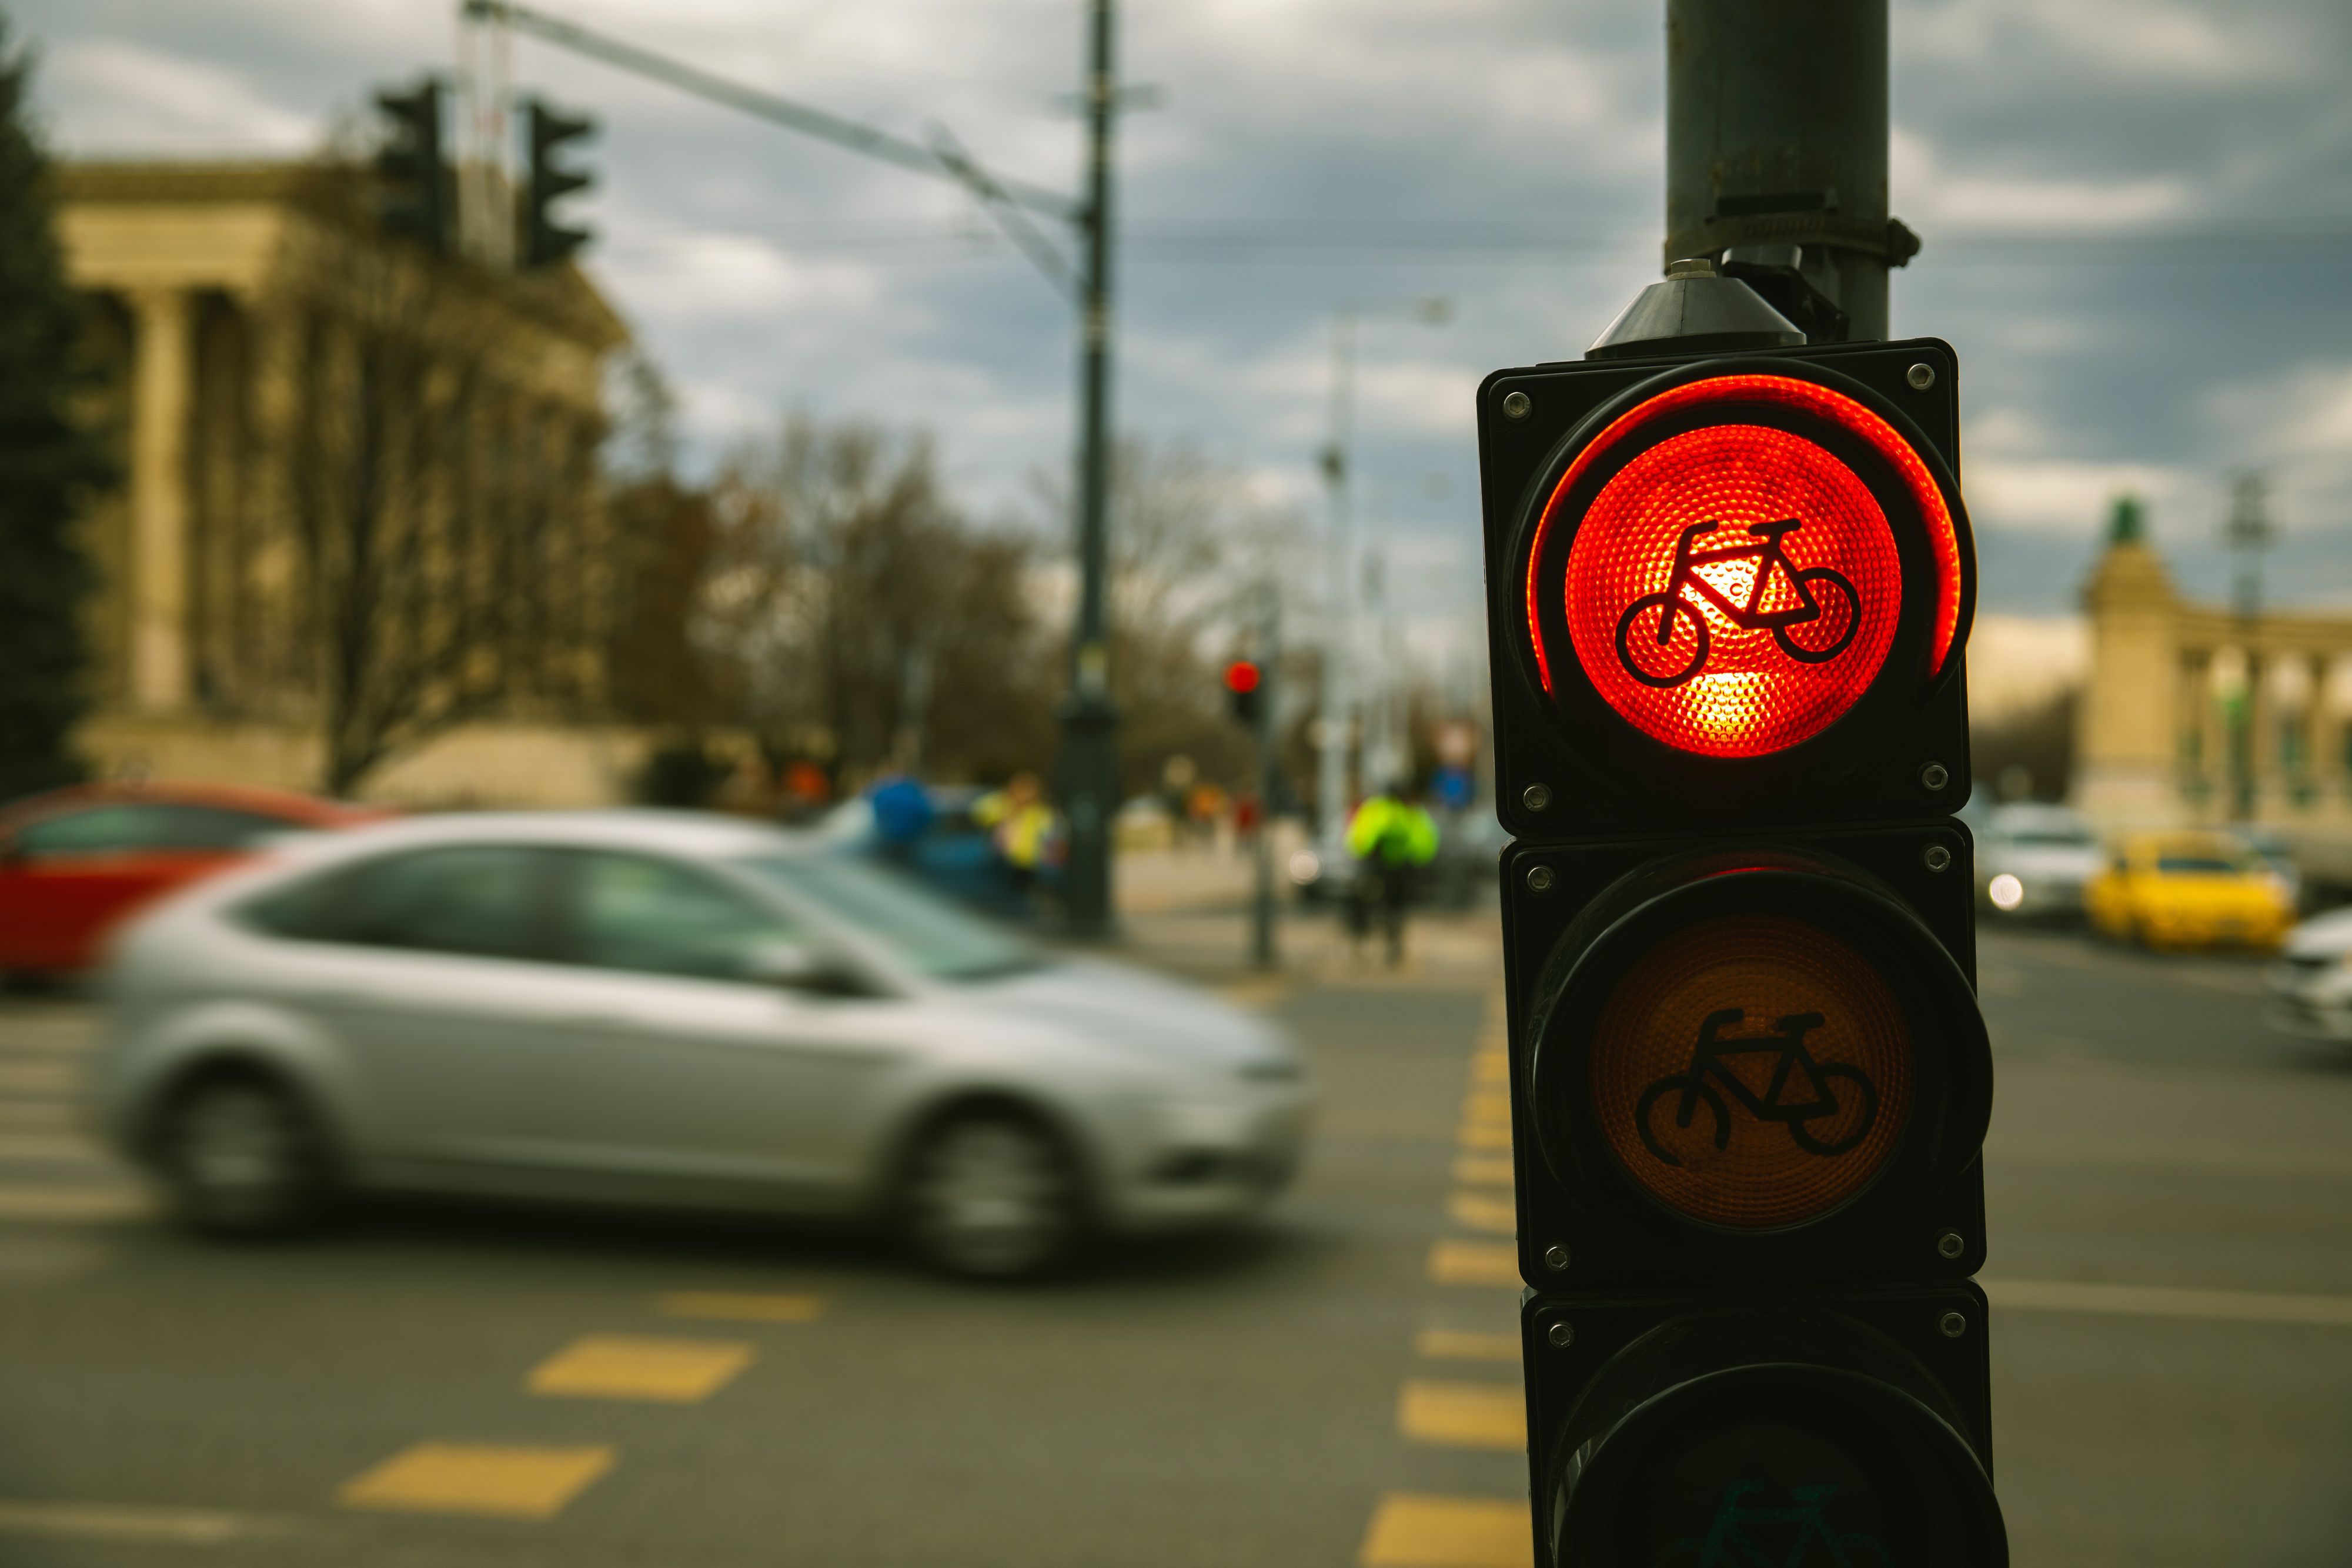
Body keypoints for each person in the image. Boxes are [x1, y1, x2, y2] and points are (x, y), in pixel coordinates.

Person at [1346, 782, 1440, 969]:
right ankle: (1387, 945)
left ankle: (1368, 942)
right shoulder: (1408, 811)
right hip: (1391, 868)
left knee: (1373, 907)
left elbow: (1357, 838)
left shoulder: (1376, 809)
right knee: (1392, 910)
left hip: (1382, 868)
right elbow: (1426, 842)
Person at [973, 771, 1058, 914]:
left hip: (1027, 863)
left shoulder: (1039, 812)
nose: (1024, 795)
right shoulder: (1003, 805)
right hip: (1000, 858)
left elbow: (1050, 835)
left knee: (1019, 899)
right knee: (999, 896)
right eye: (1021, 789)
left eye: (1029, 790)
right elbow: (980, 810)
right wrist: (1007, 803)